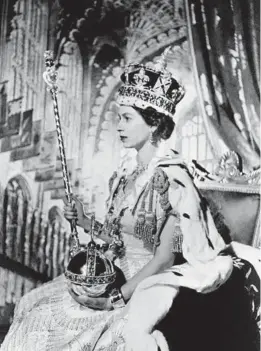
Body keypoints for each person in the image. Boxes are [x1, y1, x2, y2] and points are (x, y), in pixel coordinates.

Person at [1, 49, 248, 351]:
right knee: (32, 306)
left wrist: (117, 297)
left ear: (154, 124)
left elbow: (164, 258)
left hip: (146, 281)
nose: (119, 125)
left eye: (127, 118)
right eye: (119, 117)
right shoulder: (126, 174)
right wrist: (84, 220)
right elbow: (115, 236)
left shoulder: (174, 180)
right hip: (111, 269)